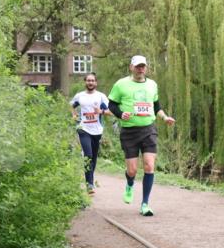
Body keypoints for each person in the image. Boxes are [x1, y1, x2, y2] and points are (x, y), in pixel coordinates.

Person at [107, 55, 175, 216]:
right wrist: (121, 114)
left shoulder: (152, 85)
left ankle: (145, 204)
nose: (140, 69)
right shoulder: (121, 84)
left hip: (148, 129)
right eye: (137, 66)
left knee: (149, 166)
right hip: (129, 131)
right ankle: (130, 184)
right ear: (131, 67)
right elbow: (112, 104)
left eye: (143, 66)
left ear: (146, 68)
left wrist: (165, 117)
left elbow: (156, 106)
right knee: (132, 170)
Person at [70, 73, 111, 195]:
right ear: (85, 82)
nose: (90, 82)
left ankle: (90, 180)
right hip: (83, 128)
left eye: (92, 80)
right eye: (88, 80)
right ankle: (89, 184)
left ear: (96, 83)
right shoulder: (80, 96)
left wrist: (101, 111)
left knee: (93, 157)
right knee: (87, 155)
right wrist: (73, 114)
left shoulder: (101, 96)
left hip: (97, 130)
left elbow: (111, 111)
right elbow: (71, 105)